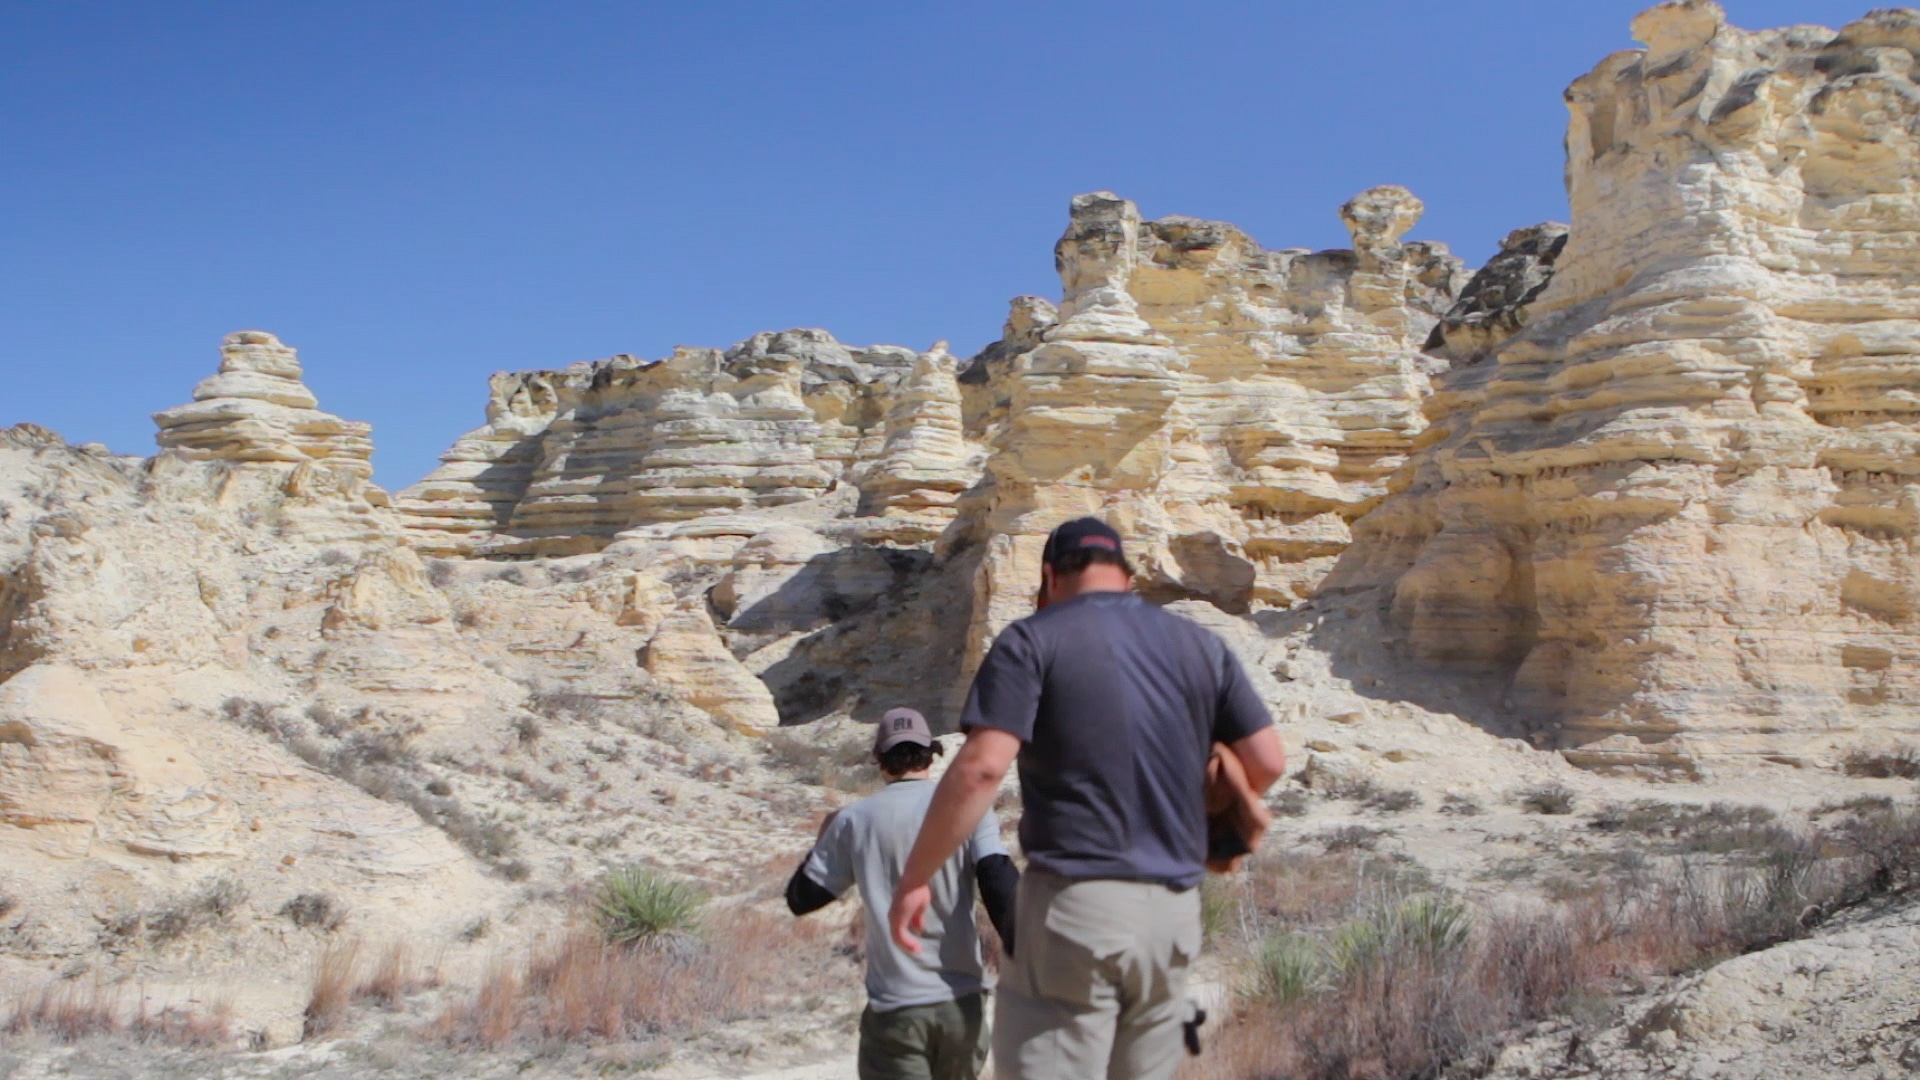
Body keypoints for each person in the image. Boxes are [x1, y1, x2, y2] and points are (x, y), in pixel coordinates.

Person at [887, 518, 1288, 1080]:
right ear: (1125, 575)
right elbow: (1268, 760)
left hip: (1074, 909)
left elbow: (981, 769)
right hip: (1171, 910)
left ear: (1049, 575)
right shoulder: (1200, 645)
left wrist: (914, 879)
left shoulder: (1033, 639)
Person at [786, 706, 1020, 1080]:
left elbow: (801, 899)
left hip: (898, 1009)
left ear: (880, 760)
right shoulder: (969, 809)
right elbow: (998, 883)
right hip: (963, 1005)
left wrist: (822, 842)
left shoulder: (854, 820)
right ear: (932, 753)